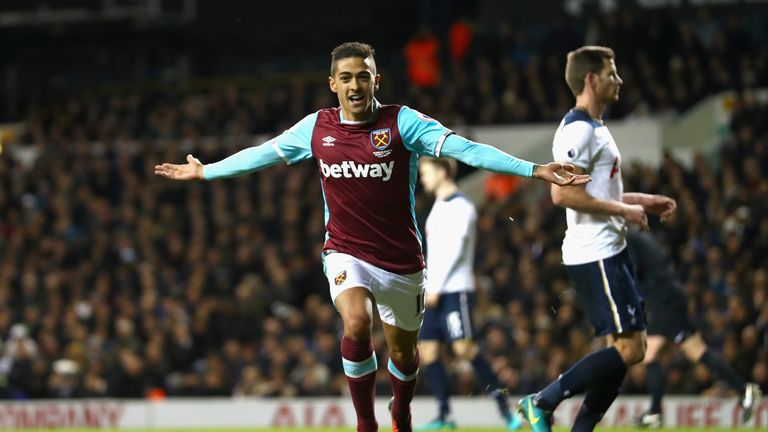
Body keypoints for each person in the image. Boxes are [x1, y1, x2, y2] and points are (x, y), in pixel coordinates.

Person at [154, 42, 591, 432]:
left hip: (402, 263)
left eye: (363, 75)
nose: (355, 84)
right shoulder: (317, 129)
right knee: (357, 323)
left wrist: (534, 170)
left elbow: (466, 149)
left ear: (376, 79)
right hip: (345, 252)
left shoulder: (403, 123)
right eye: (345, 77)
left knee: (403, 356)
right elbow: (263, 154)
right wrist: (205, 171)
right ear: (332, 84)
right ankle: (366, 422)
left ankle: (400, 412)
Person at [517, 45, 677, 432]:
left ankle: (579, 427)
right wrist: (625, 211)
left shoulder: (595, 127)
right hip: (596, 250)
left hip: (609, 248)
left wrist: (642, 200)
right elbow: (562, 193)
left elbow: (599, 194)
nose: (618, 80)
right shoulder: (576, 131)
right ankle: (543, 400)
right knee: (631, 349)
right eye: (612, 73)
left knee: (622, 350)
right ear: (591, 79)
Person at [415, 157, 523, 431]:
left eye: (426, 172)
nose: (423, 178)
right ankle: (444, 415)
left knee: (463, 348)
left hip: (454, 290)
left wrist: (436, 286)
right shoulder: (439, 206)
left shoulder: (461, 206)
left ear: (442, 171)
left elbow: (455, 250)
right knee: (428, 351)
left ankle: (505, 410)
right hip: (434, 291)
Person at [626, 230, 762, 428]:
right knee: (696, 350)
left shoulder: (628, 238)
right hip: (670, 295)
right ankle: (744, 390)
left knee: (650, 354)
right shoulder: (643, 237)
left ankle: (655, 413)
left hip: (665, 300)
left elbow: (632, 270)